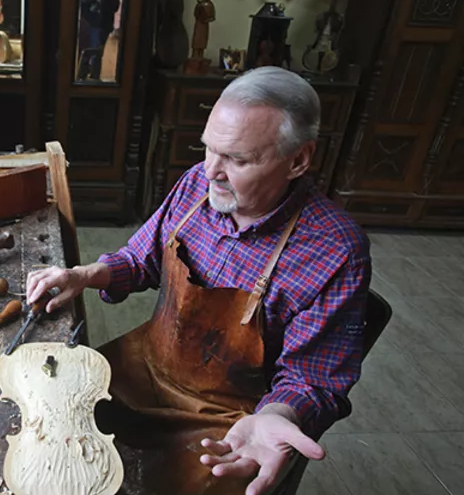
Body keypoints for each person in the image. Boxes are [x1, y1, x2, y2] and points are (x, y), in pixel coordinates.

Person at [25, 67, 370, 495]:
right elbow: (140, 259)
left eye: (237, 159)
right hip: (143, 368)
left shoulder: (334, 251)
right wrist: (86, 275)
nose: (211, 171)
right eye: (208, 150)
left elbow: (312, 379)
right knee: (49, 423)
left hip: (227, 418)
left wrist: (277, 415)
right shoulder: (196, 186)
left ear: (298, 160)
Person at [77, 0, 121, 80]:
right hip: (86, 21)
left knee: (96, 53)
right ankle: (82, 78)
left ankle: (93, 79)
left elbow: (115, 4)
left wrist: (101, 2)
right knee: (84, 53)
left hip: (101, 22)